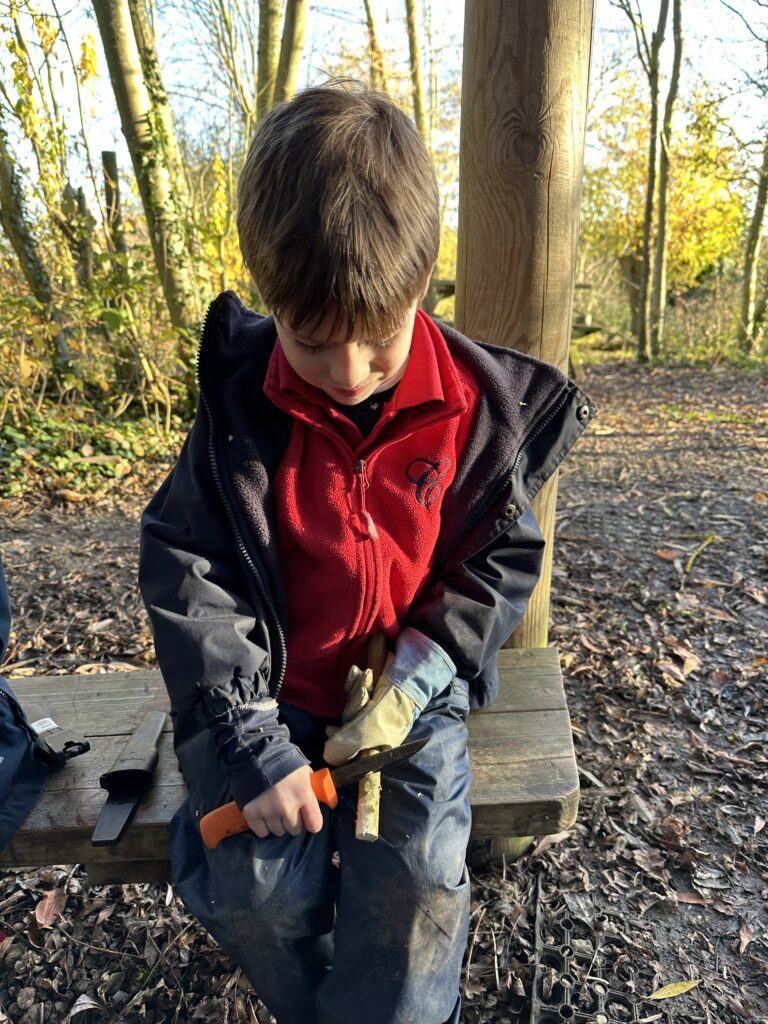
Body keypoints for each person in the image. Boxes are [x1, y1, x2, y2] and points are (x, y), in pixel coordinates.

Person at [139, 85, 594, 1024]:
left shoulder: (477, 416)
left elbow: (501, 562)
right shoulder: (241, 413)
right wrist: (249, 736)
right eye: (311, 343)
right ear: (270, 298)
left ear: (422, 284)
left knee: (420, 880)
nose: (347, 375)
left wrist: (422, 676)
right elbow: (189, 563)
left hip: (407, 703)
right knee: (253, 886)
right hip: (261, 707)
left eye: (377, 344)